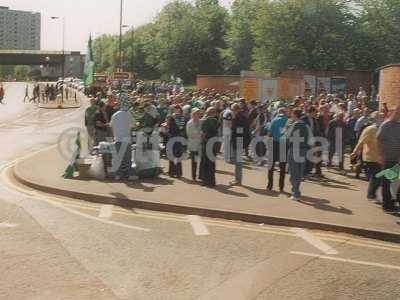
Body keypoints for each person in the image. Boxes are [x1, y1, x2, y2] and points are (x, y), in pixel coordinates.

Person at [351, 112, 385, 200]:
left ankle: (372, 194)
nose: (383, 119)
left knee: (380, 177)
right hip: (371, 157)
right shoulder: (370, 129)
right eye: (380, 117)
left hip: (381, 157)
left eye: (383, 117)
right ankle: (371, 195)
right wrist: (355, 152)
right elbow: (361, 142)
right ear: (375, 119)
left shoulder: (383, 128)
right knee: (376, 176)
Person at [377, 106, 400, 213]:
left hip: (397, 160)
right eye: (398, 112)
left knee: (394, 183)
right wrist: (381, 156)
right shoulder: (386, 125)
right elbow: (379, 139)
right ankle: (386, 205)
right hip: (388, 159)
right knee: (387, 183)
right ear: (394, 112)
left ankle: (391, 203)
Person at [110, 94, 137, 181]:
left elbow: (111, 125)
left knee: (118, 158)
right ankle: (128, 174)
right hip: (126, 139)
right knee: (127, 159)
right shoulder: (128, 114)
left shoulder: (115, 115)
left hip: (117, 138)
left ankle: (118, 175)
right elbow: (133, 125)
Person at [287, 109, 311, 201]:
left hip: (295, 149)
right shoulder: (306, 125)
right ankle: (297, 191)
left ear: (295, 115)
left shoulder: (294, 124)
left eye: (292, 114)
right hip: (304, 149)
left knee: (294, 172)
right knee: (299, 171)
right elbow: (311, 139)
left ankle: (295, 193)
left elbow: (287, 136)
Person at [267, 108, 288, 192]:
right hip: (283, 144)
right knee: (282, 167)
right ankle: (281, 187)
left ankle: (270, 185)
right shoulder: (287, 121)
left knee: (271, 166)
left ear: (278, 113)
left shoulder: (274, 120)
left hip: (274, 143)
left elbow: (269, 134)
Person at [199, 107, 219, 187]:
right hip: (214, 142)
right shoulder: (215, 121)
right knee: (212, 162)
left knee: (205, 162)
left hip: (207, 142)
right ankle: (212, 181)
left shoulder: (206, 121)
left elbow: (203, 133)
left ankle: (205, 181)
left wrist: (201, 140)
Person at [230, 103, 247, 186]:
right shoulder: (240, 117)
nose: (231, 112)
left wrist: (233, 123)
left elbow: (239, 131)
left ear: (235, 110)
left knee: (238, 163)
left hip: (238, 142)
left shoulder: (238, 118)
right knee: (238, 162)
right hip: (239, 141)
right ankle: (237, 179)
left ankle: (238, 180)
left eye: (232, 110)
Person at [167, 105, 186, 178]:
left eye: (177, 109)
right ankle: (172, 172)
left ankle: (177, 172)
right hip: (172, 137)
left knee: (177, 155)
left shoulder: (181, 118)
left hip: (178, 138)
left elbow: (180, 126)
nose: (176, 111)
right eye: (175, 109)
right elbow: (168, 126)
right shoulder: (172, 117)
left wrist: (174, 118)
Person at [186, 108, 202, 181]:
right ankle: (194, 176)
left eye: (198, 113)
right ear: (192, 114)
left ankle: (201, 176)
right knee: (194, 161)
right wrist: (199, 135)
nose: (197, 115)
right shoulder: (189, 123)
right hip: (193, 145)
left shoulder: (201, 122)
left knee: (201, 161)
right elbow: (189, 134)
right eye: (196, 113)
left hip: (200, 144)